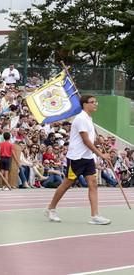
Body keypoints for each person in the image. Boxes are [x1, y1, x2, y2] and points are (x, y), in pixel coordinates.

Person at [45, 95, 111, 225]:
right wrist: (101, 154)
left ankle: (95, 215)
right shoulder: (80, 119)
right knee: (67, 184)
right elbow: (85, 141)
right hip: (76, 157)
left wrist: (98, 141)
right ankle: (50, 208)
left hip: (87, 157)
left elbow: (89, 140)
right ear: (85, 104)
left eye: (95, 102)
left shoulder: (88, 119)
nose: (95, 104)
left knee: (93, 184)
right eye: (92, 102)